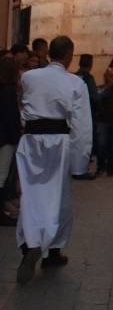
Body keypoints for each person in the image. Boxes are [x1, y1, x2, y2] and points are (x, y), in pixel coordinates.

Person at [15, 35, 92, 283]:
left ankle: (30, 245)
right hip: (59, 142)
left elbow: (23, 107)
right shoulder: (75, 83)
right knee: (57, 198)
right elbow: (81, 125)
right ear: (69, 55)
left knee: (31, 195)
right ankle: (52, 250)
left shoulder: (28, 77)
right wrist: (80, 161)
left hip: (30, 141)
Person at [0, 55, 21, 225]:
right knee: (2, 175)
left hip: (4, 136)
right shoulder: (8, 91)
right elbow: (10, 117)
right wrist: (16, 137)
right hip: (6, 138)